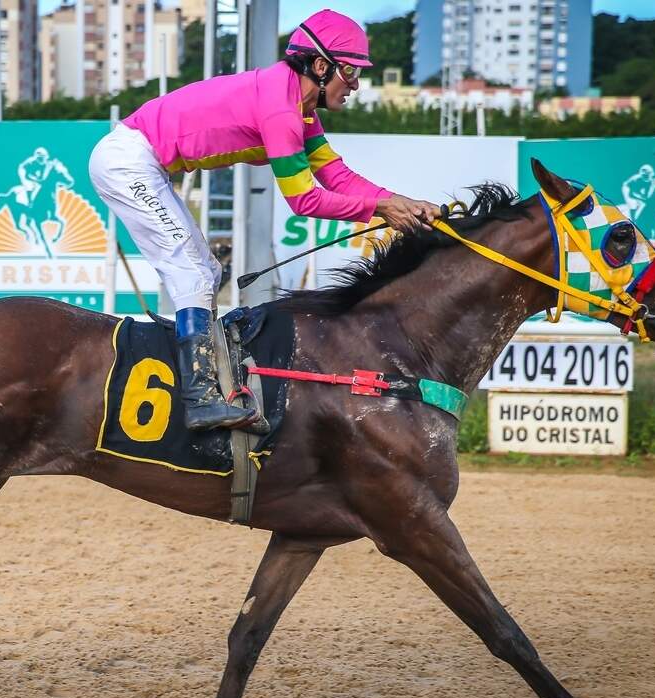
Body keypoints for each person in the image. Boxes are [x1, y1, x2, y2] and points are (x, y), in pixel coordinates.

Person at [89, 8, 440, 431]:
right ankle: (199, 399)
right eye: (350, 72)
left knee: (205, 270)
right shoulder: (281, 109)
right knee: (192, 272)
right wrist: (381, 209)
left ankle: (206, 387)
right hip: (128, 162)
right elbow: (305, 200)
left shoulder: (301, 107)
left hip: (143, 162)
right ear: (321, 65)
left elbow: (337, 176)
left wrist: (402, 201)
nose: (356, 84)